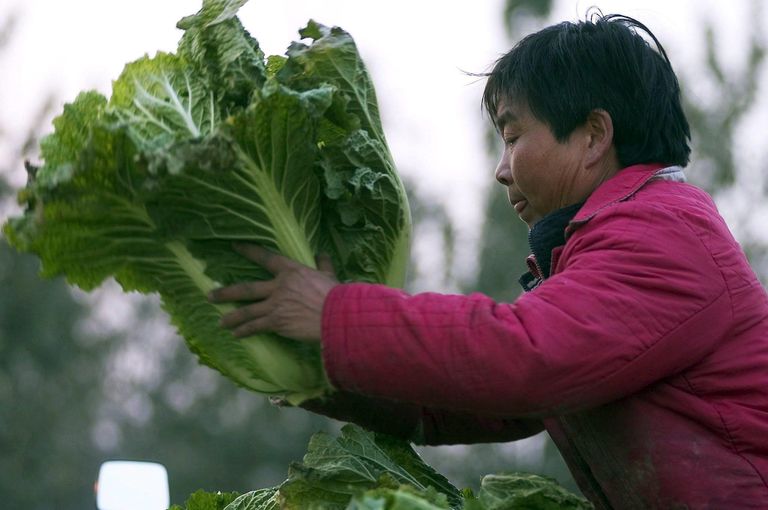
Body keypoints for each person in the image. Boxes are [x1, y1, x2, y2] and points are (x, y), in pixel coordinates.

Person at [208, 13, 768, 509]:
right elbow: (472, 406)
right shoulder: (615, 239)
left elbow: (525, 357)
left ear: (594, 135)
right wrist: (318, 372)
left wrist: (334, 314)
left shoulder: (664, 231)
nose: (502, 169)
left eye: (513, 135)